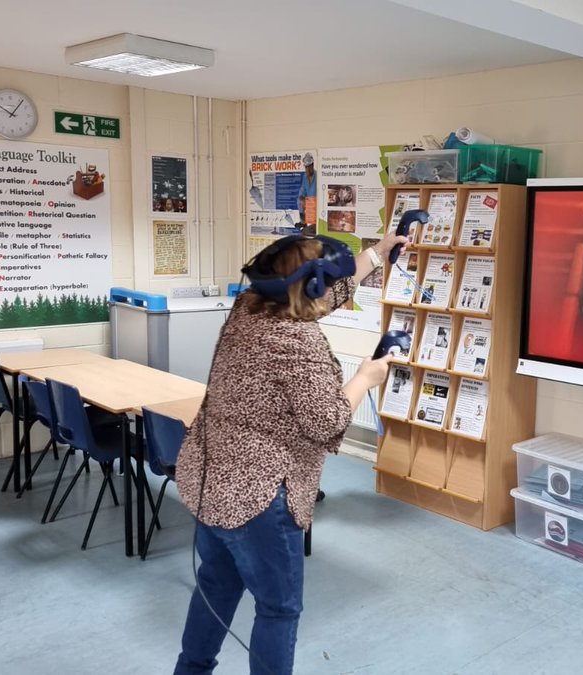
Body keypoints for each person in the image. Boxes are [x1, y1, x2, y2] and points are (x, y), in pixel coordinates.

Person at [173, 228, 410, 675]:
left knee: (216, 588)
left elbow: (321, 292)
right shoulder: (298, 341)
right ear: (310, 287)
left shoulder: (247, 309)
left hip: (212, 482)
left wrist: (376, 256)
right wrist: (365, 378)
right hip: (260, 498)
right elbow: (328, 423)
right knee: (278, 609)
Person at [296, 152, 317, 235]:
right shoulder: (304, 177)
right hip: (308, 201)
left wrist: (309, 200)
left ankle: (313, 226)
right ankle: (303, 222)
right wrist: (301, 196)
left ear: (313, 165)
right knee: (299, 201)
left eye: (309, 167)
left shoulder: (318, 176)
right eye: (306, 167)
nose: (307, 169)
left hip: (315, 202)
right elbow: (302, 189)